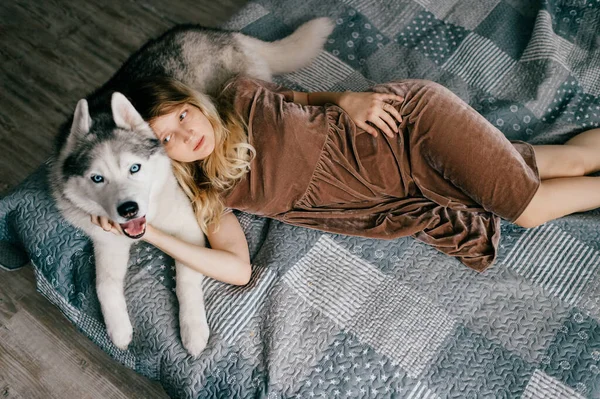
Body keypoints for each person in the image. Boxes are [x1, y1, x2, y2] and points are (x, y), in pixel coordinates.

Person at [92, 75, 600, 283]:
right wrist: (146, 231)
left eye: (182, 115)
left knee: (530, 210)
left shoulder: (239, 96)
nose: (185, 135)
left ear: (192, 102)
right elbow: (238, 269)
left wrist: (344, 99)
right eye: (165, 138)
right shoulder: (213, 193)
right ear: (157, 155)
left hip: (412, 122)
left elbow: (297, 102)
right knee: (572, 162)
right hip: (414, 184)